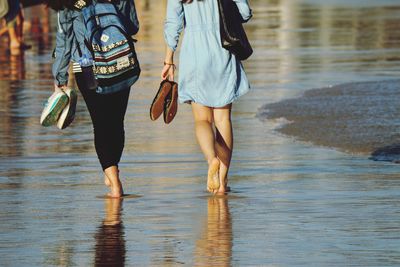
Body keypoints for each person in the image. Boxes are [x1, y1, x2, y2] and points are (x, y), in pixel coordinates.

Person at [48, 0, 140, 198]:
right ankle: (112, 168)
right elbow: (133, 26)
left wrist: (60, 78)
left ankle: (114, 180)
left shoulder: (69, 3)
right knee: (116, 122)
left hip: (86, 67)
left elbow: (64, 41)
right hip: (120, 60)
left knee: (100, 124)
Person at [162, 0, 252, 194]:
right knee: (222, 119)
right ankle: (222, 181)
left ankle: (212, 159)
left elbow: (173, 22)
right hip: (222, 49)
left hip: (194, 53)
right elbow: (245, 13)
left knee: (202, 119)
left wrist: (168, 59)